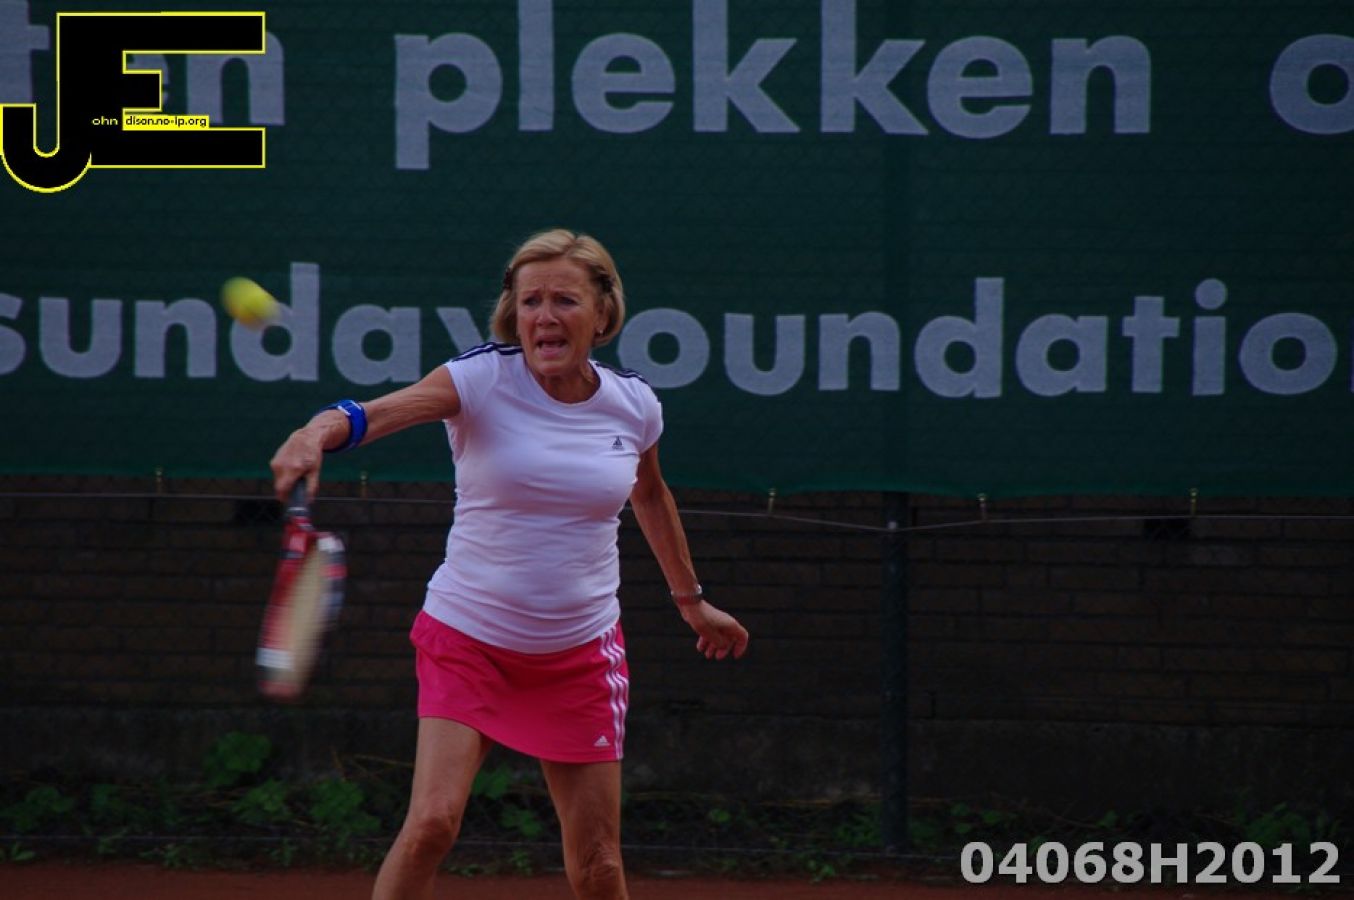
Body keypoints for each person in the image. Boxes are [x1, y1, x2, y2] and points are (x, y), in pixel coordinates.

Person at [268, 228, 750, 900]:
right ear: (512, 312)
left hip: (580, 654)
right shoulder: (479, 380)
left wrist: (691, 600)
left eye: (564, 301)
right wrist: (311, 433)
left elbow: (649, 494)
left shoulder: (634, 403)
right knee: (432, 824)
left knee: (599, 866)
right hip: (469, 640)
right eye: (530, 302)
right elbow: (373, 415)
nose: (544, 317)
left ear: (602, 313)